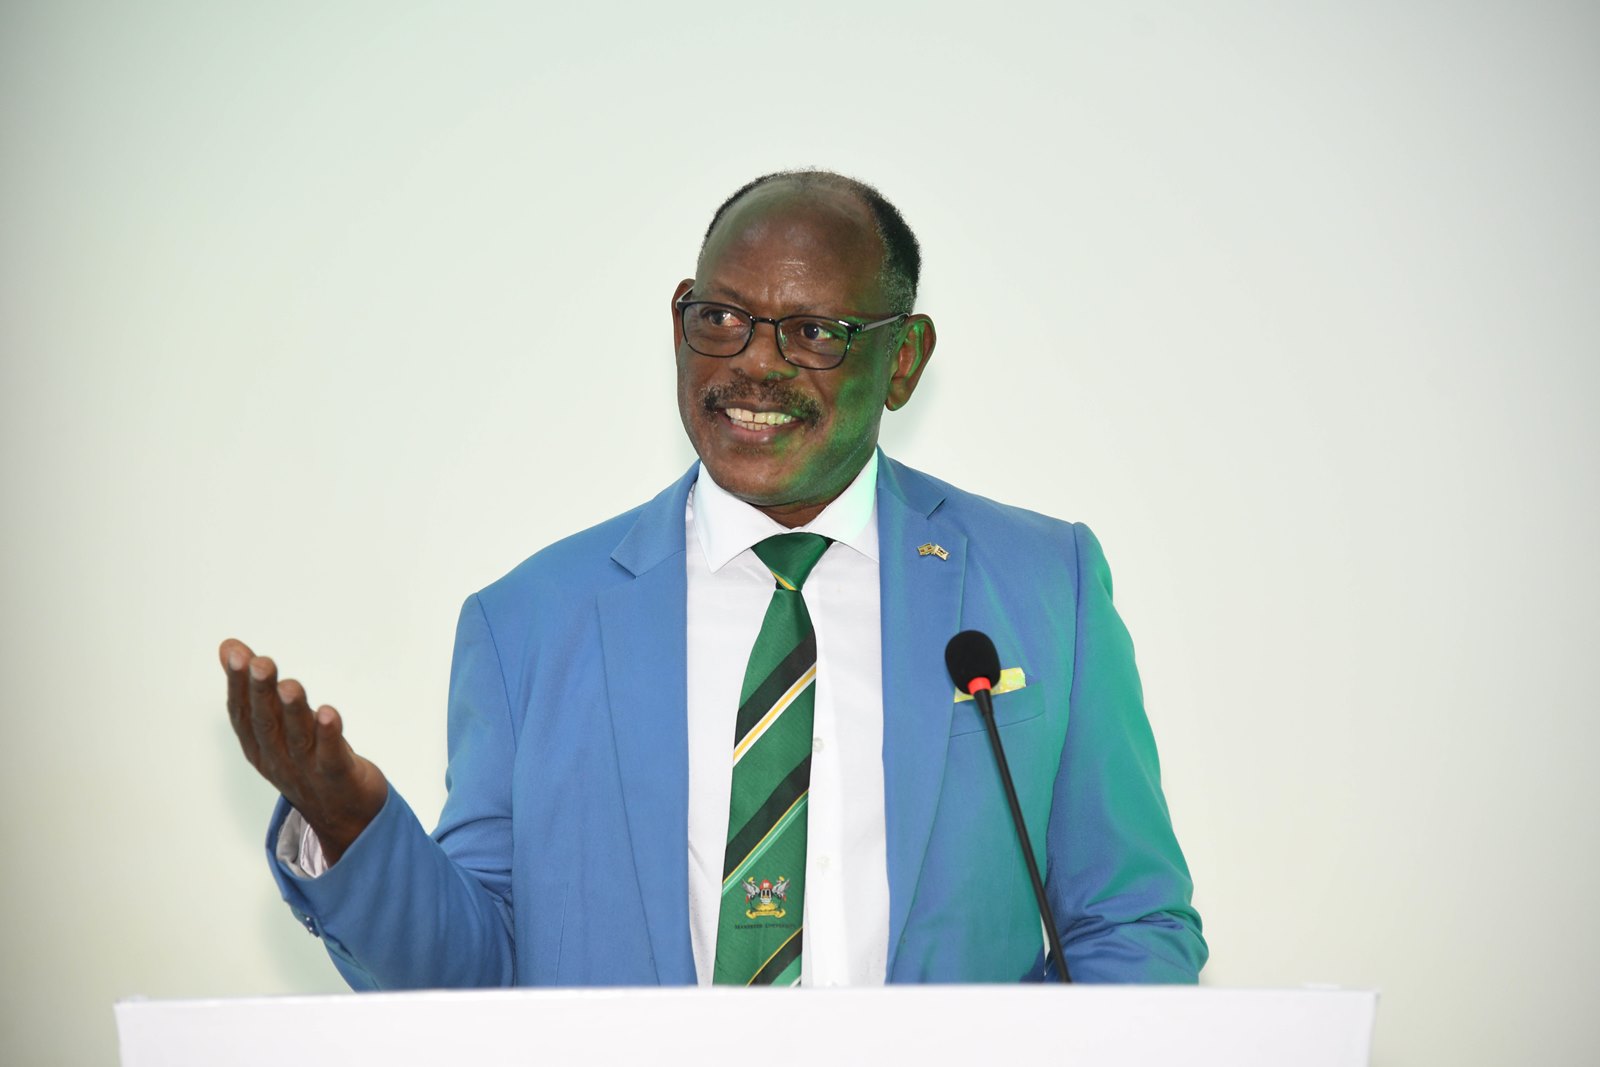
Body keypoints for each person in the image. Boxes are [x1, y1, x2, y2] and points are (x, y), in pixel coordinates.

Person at [222, 169, 1206, 989]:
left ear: (903, 359)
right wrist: (351, 822)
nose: (754, 364)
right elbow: (474, 976)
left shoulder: (1042, 584)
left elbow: (1127, 924)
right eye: (721, 316)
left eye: (817, 332)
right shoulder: (528, 622)